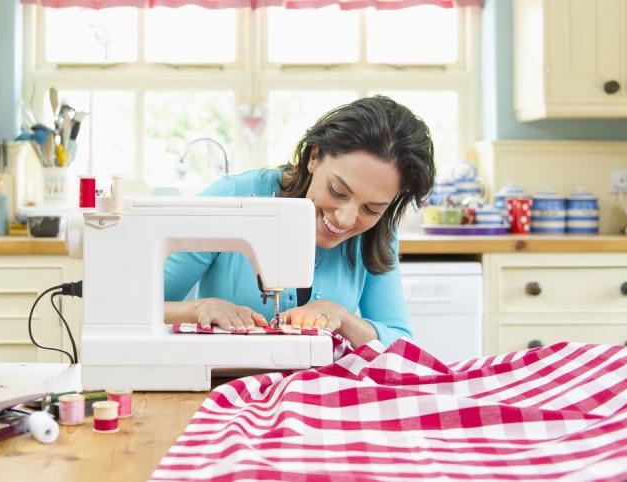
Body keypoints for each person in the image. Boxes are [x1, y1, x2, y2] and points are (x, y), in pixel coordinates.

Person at [162, 95, 436, 348]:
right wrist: (198, 309)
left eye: (372, 209)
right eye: (338, 192)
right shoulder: (230, 198)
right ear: (314, 157)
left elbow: (401, 343)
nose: (345, 218)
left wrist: (343, 319)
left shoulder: (378, 232)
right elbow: (127, 307)